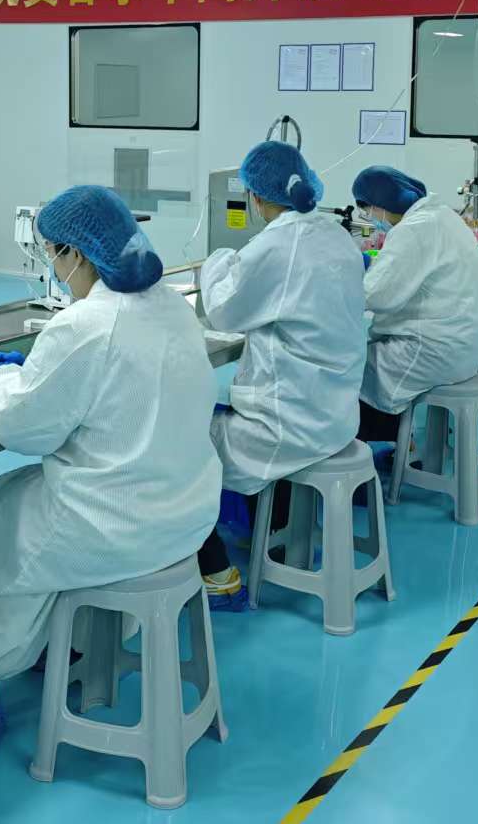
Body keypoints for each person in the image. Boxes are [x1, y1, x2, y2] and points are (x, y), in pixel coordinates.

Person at [0, 186, 221, 749]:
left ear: (76, 254)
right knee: (21, 499)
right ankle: (70, 645)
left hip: (112, 524)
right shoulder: (172, 307)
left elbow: (21, 426)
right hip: (184, 513)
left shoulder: (86, 324)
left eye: (52, 255)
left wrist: (3, 378)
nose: (54, 269)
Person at [195, 139, 365, 607]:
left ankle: (215, 569)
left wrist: (215, 262)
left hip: (290, 422)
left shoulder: (277, 244)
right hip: (334, 411)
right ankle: (273, 528)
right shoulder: (335, 235)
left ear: (255, 197)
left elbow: (225, 311)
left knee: (180, 441)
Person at [350, 165, 478, 441]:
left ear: (380, 204)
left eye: (367, 210)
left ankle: (379, 444)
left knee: (346, 368)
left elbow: (374, 295)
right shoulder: (444, 216)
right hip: (464, 348)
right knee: (367, 360)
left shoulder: (413, 229)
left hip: (429, 351)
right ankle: (398, 442)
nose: (370, 218)